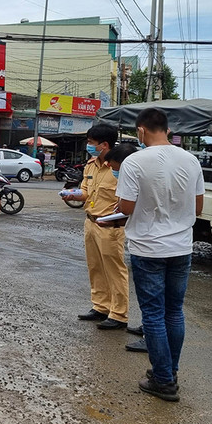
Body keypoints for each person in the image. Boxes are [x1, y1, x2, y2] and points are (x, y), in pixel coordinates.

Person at [117, 109, 204, 402]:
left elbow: (126, 208)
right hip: (181, 246)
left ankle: (164, 380)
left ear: (141, 130)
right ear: (166, 129)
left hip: (148, 247)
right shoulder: (191, 160)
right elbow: (199, 207)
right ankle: (168, 372)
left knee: (153, 314)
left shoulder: (134, 161)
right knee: (173, 311)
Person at [66, 124, 130, 331]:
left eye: (91, 143)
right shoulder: (91, 165)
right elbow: (85, 191)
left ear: (104, 144)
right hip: (91, 221)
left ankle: (119, 314)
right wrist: (73, 194)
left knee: (114, 270)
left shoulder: (119, 167)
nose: (88, 146)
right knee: (95, 267)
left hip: (110, 226)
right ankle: (101, 306)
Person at [102, 143, 146, 353]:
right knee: (166, 304)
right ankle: (150, 332)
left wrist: (119, 213)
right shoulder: (185, 164)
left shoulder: (137, 173)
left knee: (153, 299)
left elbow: (126, 208)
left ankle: (152, 338)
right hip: (176, 244)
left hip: (150, 245)